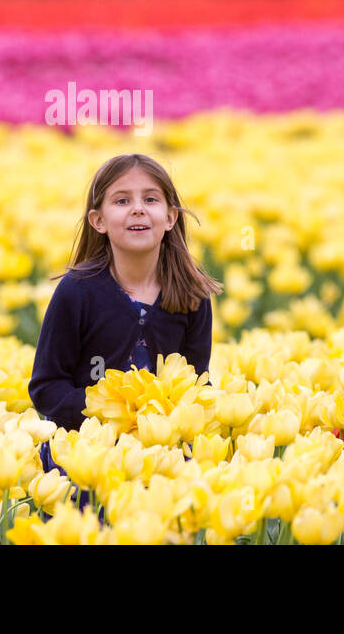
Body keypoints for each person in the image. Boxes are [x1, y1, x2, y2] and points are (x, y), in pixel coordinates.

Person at [29, 153, 222, 509]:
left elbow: (196, 384)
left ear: (170, 217)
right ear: (98, 220)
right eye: (122, 200)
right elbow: (46, 387)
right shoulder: (77, 291)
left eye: (150, 199)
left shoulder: (192, 293)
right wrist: (109, 410)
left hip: (159, 460)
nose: (137, 209)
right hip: (82, 459)